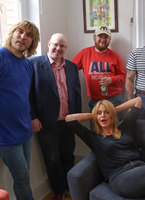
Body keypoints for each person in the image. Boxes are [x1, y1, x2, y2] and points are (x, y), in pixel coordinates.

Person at [0, 20, 40, 200]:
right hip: (4, 134)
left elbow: (23, 97)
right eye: (20, 31)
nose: (23, 37)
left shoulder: (26, 64)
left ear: (33, 42)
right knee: (23, 179)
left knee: (24, 177)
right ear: (12, 33)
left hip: (24, 131)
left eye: (29, 35)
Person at [29, 33, 82, 200]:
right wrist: (33, 117)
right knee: (52, 159)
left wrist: (77, 117)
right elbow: (28, 94)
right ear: (48, 44)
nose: (58, 49)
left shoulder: (72, 67)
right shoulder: (34, 64)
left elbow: (77, 93)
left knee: (68, 155)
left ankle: (69, 186)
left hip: (68, 121)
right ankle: (58, 190)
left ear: (66, 48)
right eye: (56, 45)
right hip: (46, 123)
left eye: (62, 46)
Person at [72, 26, 125, 121]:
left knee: (115, 130)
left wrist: (111, 80)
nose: (103, 39)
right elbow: (70, 69)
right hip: (95, 101)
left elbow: (123, 77)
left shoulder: (115, 56)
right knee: (96, 131)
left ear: (110, 39)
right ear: (94, 37)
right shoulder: (85, 53)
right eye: (100, 36)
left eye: (106, 37)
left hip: (114, 100)